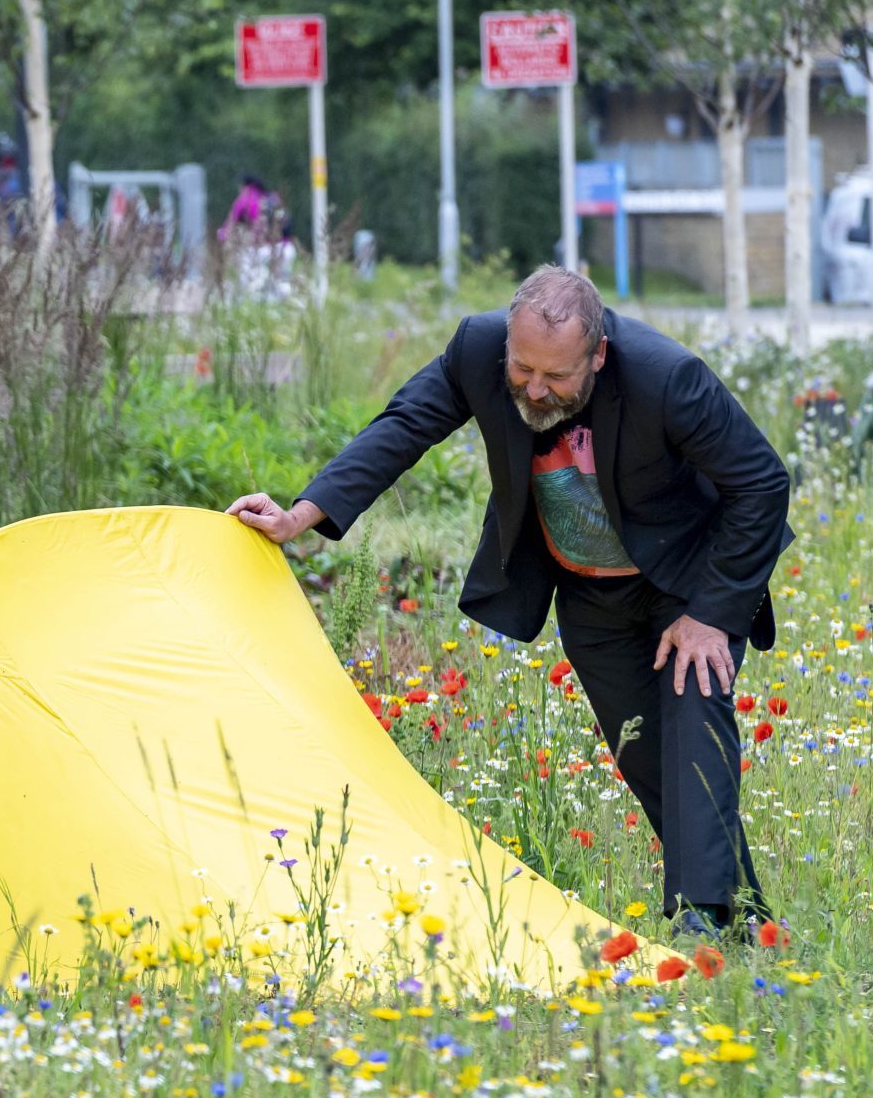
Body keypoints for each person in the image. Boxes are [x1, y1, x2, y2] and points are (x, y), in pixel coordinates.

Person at [226, 266, 792, 938]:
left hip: (687, 578)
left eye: (555, 377)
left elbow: (761, 481)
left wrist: (710, 614)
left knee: (692, 720)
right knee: (644, 753)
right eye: (521, 368)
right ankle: (744, 916)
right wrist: (299, 516)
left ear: (597, 354)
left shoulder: (666, 378)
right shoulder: (476, 349)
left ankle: (700, 924)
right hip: (587, 585)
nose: (533, 387)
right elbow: (404, 425)